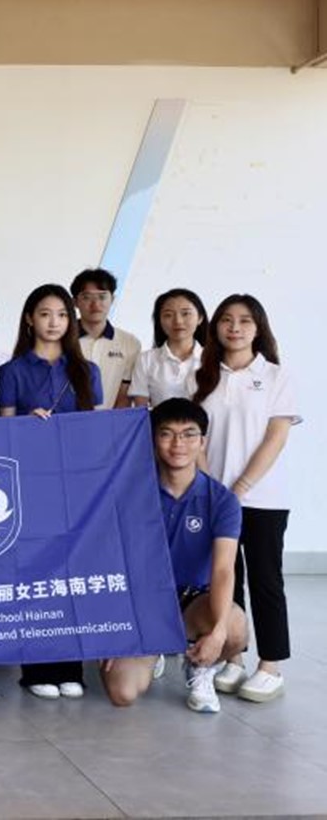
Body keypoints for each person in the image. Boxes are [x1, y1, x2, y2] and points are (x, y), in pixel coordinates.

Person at [100, 399, 246, 713]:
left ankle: (199, 665)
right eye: (167, 434)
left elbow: (223, 570)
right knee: (122, 692)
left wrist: (218, 632)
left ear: (202, 442)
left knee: (235, 628)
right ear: (153, 440)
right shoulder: (130, 493)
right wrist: (114, 629)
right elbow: (109, 559)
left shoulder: (222, 500)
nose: (178, 444)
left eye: (189, 434)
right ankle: (154, 650)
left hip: (192, 602)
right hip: (141, 604)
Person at [188, 294, 300, 702]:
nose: (235, 328)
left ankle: (270, 666)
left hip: (263, 499)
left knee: (266, 580)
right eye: (226, 320)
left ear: (259, 328)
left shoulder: (275, 376)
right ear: (215, 326)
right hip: (214, 498)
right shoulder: (200, 376)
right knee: (224, 580)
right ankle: (233, 656)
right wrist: (212, 489)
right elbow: (195, 438)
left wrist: (240, 489)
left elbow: (276, 438)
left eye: (245, 321)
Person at [0, 284, 102, 699]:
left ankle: (70, 668)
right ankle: (37, 669)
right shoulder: (12, 371)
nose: (54, 322)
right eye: (45, 313)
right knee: (35, 575)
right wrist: (26, 424)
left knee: (70, 575)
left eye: (61, 314)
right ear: (29, 319)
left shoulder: (87, 371)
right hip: (28, 483)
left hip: (73, 486)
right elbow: (2, 432)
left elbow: (94, 432)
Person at [70, 268, 141, 410]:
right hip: (66, 418)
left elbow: (124, 395)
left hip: (108, 419)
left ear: (112, 299)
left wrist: (112, 421)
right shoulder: (61, 339)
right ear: (75, 302)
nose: (95, 304)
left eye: (102, 297)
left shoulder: (130, 343)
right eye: (87, 297)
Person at [128, 288, 207, 407]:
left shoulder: (212, 359)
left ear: (200, 318)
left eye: (185, 314)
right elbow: (141, 409)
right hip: (158, 420)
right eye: (168, 315)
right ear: (159, 320)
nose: (178, 321)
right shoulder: (146, 359)